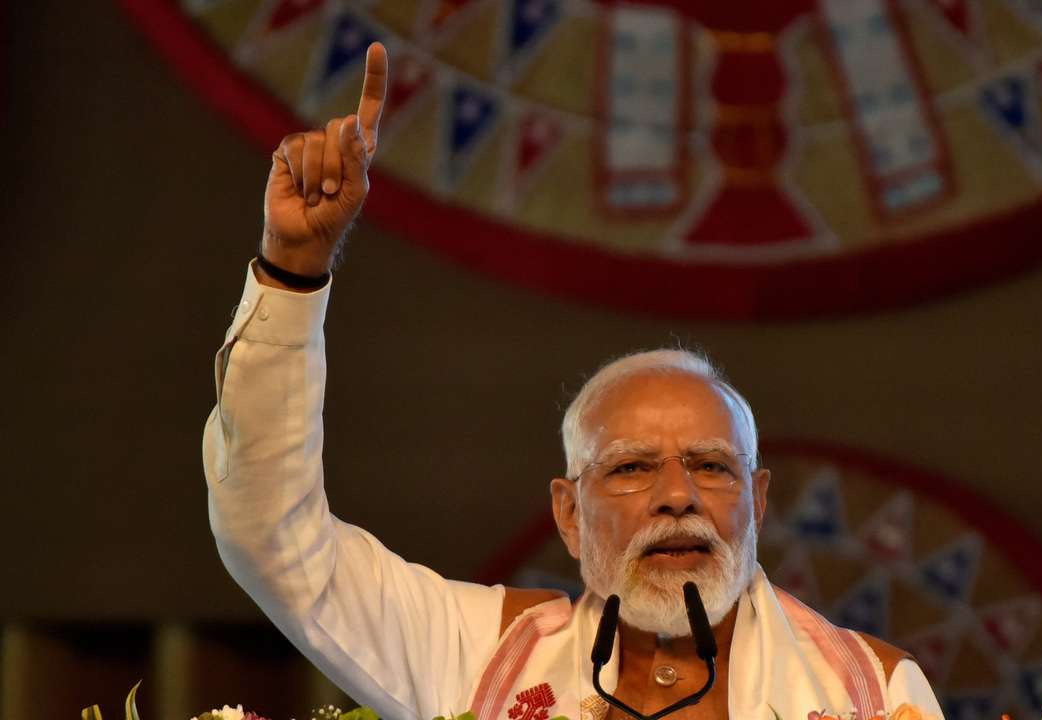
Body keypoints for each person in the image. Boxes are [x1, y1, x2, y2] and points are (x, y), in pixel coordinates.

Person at [202, 42, 944, 720]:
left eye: (712, 466)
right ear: (567, 512)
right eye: (630, 467)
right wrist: (290, 269)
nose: (678, 496)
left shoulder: (875, 693)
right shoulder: (476, 653)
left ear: (756, 499)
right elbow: (273, 540)